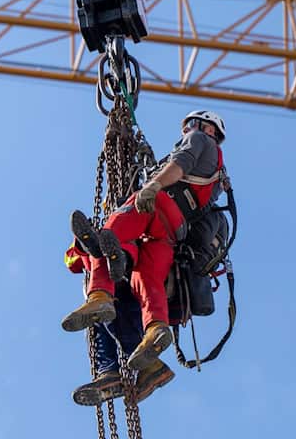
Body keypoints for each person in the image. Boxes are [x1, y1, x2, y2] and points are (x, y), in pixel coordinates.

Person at [61, 110, 228, 372]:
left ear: (210, 131)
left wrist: (153, 186)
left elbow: (180, 163)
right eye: (187, 127)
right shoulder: (217, 176)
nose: (187, 131)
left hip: (164, 209)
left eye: (193, 125)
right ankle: (155, 329)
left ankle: (100, 287)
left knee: (117, 226)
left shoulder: (200, 141)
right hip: (170, 234)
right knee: (145, 276)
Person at [64, 242, 175, 406]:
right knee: (98, 318)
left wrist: (84, 244)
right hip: (142, 290)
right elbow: (72, 263)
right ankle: (124, 371)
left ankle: (148, 367)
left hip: (138, 286)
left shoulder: (133, 226)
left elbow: (73, 263)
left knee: (108, 312)